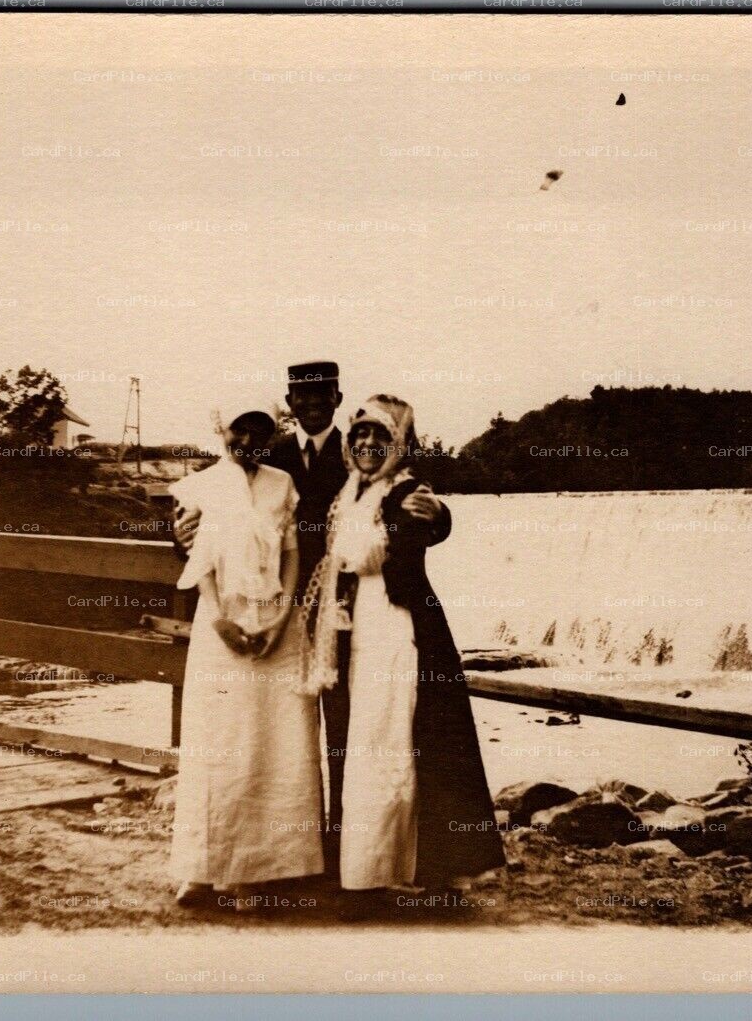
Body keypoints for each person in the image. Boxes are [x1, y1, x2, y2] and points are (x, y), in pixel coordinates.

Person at [176, 361, 451, 880]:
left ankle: (347, 858)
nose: (311, 405)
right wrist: (181, 538)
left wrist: (439, 517)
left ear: (337, 397)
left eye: (322, 396)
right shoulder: (267, 454)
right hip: (272, 619)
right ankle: (294, 857)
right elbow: (208, 525)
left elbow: (411, 499)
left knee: (351, 733)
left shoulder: (359, 450)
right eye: (301, 397)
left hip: (344, 621)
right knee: (281, 741)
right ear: (289, 400)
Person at [295, 395, 505, 899]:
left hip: (398, 627)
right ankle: (355, 868)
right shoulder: (345, 491)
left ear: (398, 445)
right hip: (347, 633)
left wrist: (438, 516)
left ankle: (404, 869)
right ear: (349, 443)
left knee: (396, 741)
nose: (368, 445)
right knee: (352, 744)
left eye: (380, 438)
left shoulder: (407, 490)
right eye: (361, 436)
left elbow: (408, 535)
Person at [167, 397, 324, 910]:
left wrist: (283, 620)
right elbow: (201, 562)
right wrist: (219, 620)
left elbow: (295, 553)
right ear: (221, 430)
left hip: (279, 625)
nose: (247, 442)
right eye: (238, 431)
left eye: (258, 431)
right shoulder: (201, 486)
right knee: (219, 743)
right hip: (223, 623)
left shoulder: (282, 483)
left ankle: (258, 871)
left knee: (275, 747)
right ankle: (202, 866)